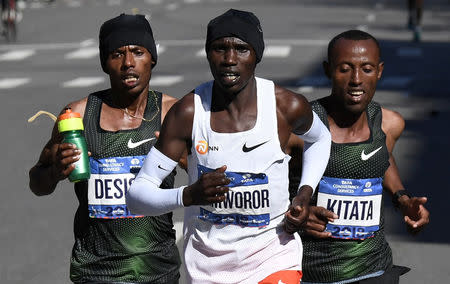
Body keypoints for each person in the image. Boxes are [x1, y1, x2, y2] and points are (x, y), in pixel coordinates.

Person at [126, 8, 331, 284]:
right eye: (219, 49)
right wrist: (188, 195)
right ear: (208, 53)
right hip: (207, 268)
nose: (229, 59)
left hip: (273, 258)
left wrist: (304, 194)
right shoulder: (189, 112)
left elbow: (320, 138)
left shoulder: (286, 106)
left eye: (241, 49)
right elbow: (137, 195)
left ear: (256, 55)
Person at [28, 13, 182, 284]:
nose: (128, 63)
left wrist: (188, 161)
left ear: (152, 58)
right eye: (117, 54)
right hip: (95, 272)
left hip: (158, 271)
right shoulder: (76, 115)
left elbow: (211, 177)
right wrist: (54, 170)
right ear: (105, 63)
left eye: (138, 52)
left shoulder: (173, 113)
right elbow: (37, 182)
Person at [298, 30, 430, 284]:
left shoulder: (389, 123)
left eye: (367, 69)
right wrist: (297, 214)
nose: (356, 79)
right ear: (328, 70)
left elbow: (383, 157)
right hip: (310, 273)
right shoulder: (302, 126)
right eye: (345, 69)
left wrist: (402, 199)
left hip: (373, 269)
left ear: (379, 71)